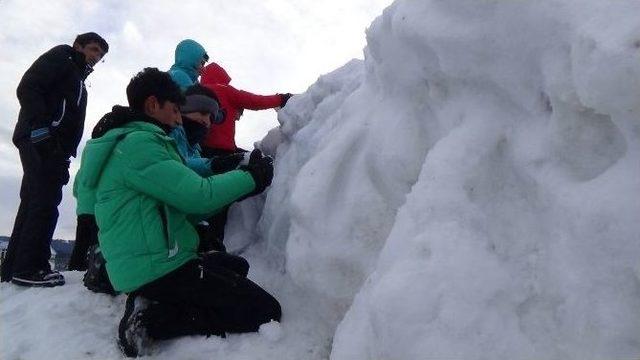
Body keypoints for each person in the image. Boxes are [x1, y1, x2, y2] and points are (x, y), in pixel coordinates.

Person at [73, 68, 280, 357]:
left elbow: (183, 205)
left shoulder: (140, 141)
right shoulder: (139, 145)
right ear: (152, 105)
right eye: (174, 110)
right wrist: (252, 178)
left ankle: (152, 298)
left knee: (237, 268)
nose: (178, 118)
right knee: (264, 310)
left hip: (153, 258)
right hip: (155, 267)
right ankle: (149, 321)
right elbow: (197, 197)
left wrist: (226, 177)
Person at [1, 32, 109, 287]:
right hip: (42, 140)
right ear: (78, 45)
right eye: (93, 50)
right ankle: (30, 268)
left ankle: (13, 269)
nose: (96, 57)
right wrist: (41, 129)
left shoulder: (76, 76)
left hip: (51, 144)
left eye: (101, 55)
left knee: (33, 200)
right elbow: (28, 86)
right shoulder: (62, 58)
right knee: (45, 201)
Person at [198, 61, 292, 243]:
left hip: (199, 154)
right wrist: (280, 99)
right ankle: (215, 244)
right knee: (221, 201)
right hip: (221, 154)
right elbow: (254, 101)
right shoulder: (225, 91)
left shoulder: (195, 93)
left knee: (205, 195)